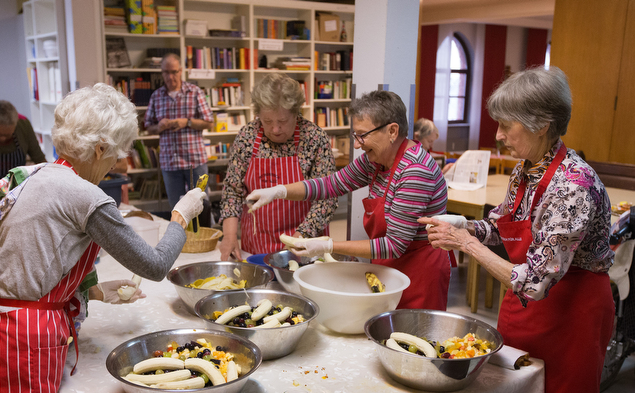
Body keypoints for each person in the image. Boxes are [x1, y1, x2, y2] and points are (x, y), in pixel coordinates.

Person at [0, 83, 206, 393]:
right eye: (115, 157)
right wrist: (180, 217)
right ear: (99, 149)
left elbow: (38, 255)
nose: (114, 166)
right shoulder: (85, 194)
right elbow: (155, 265)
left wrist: (91, 290)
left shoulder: (37, 173)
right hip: (18, 349)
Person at [419, 67, 614, 393]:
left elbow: (536, 282)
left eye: (507, 125)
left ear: (541, 125)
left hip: (571, 316)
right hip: (525, 311)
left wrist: (466, 244)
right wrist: (460, 226)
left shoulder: (573, 187)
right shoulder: (526, 170)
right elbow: (500, 227)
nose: (498, 135)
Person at [247, 90, 451, 311]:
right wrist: (277, 191)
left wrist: (328, 246)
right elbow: (331, 184)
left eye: (363, 135)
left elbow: (394, 245)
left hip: (420, 271)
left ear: (392, 131)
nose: (357, 145)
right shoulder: (375, 160)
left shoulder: (414, 171)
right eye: (356, 135)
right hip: (390, 266)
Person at [218, 73, 338, 260]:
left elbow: (327, 197)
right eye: (267, 121)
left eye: (282, 121)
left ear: (296, 113)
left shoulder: (314, 138)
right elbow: (232, 191)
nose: (275, 129)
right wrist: (230, 235)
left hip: (304, 245)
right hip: (256, 246)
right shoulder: (247, 136)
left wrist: (302, 236)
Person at [144, 53, 214, 208]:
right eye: (166, 72)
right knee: (176, 210)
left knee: (201, 206)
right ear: (161, 73)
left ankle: (203, 233)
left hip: (194, 161)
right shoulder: (156, 96)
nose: (170, 77)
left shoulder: (195, 92)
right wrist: (159, 127)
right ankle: (181, 234)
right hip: (170, 163)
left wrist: (187, 122)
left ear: (181, 71)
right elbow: (148, 128)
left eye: (174, 72)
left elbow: (209, 123)